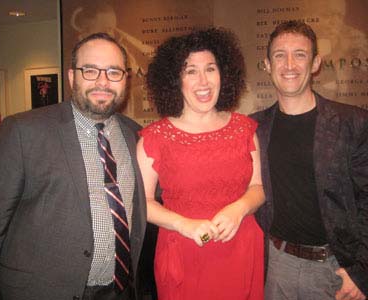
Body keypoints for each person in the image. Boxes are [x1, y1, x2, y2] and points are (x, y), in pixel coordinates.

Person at [0, 32, 147, 300]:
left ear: (125, 79)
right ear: (72, 77)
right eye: (90, 70)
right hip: (42, 291)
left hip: (119, 291)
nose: (102, 81)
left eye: (113, 72)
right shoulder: (23, 131)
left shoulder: (135, 135)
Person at [137, 28, 265, 300]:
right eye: (190, 71)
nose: (203, 80)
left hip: (241, 248)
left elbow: (258, 188)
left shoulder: (244, 129)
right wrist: (185, 224)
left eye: (210, 69)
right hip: (185, 251)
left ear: (224, 74)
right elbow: (142, 203)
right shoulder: (155, 137)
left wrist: (239, 209)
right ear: (175, 80)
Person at [251, 20, 368, 300]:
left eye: (300, 54)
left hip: (338, 269)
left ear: (315, 63)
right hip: (277, 266)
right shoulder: (254, 128)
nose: (289, 64)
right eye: (280, 55)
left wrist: (362, 271)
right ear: (267, 64)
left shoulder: (352, 122)